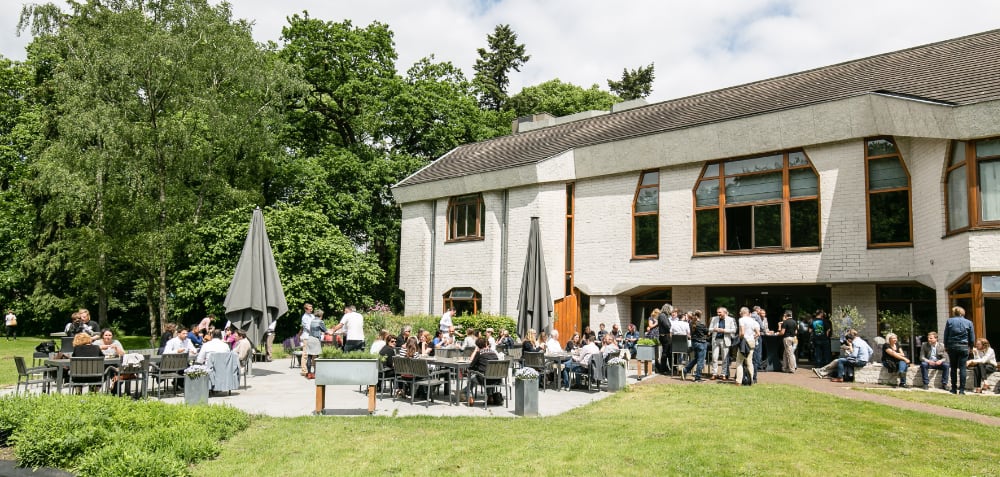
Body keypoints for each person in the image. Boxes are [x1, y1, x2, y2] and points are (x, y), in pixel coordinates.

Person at [943, 306, 975, 394]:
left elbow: (946, 335)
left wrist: (945, 346)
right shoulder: (969, 322)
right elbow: (972, 338)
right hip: (964, 347)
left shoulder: (950, 321)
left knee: (953, 367)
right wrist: (971, 347)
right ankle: (962, 390)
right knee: (962, 368)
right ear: (962, 313)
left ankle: (953, 388)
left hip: (952, 346)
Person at [465, 337, 500, 406]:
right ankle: (490, 397)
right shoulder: (493, 353)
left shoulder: (479, 353)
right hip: (497, 379)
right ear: (486, 344)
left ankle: (470, 397)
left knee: (470, 379)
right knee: (489, 375)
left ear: (477, 346)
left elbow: (471, 366)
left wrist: (469, 370)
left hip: (484, 378)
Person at [709, 307, 736, 380]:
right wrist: (714, 329)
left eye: (720, 312)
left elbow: (734, 330)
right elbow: (709, 329)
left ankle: (723, 374)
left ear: (725, 312)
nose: (718, 314)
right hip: (715, 340)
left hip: (725, 340)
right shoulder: (714, 318)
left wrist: (724, 330)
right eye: (717, 312)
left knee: (724, 358)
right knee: (714, 358)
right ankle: (714, 373)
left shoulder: (730, 319)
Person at [735, 307, 760, 386]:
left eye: (740, 312)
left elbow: (742, 333)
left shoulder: (741, 319)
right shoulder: (753, 320)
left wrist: (740, 339)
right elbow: (758, 333)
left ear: (742, 312)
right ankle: (751, 380)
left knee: (739, 361)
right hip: (751, 341)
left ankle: (738, 381)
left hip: (744, 341)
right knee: (749, 362)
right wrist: (752, 337)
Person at [683, 310, 710, 382]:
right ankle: (698, 377)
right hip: (701, 343)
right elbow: (708, 333)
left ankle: (685, 369)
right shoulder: (701, 324)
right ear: (700, 316)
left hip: (694, 343)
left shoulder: (691, 323)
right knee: (700, 361)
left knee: (696, 359)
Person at [657, 304, 673, 373]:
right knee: (665, 353)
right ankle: (663, 369)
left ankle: (667, 368)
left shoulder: (664, 316)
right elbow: (667, 326)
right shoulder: (662, 316)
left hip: (666, 336)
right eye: (670, 310)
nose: (671, 312)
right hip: (664, 336)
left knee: (668, 352)